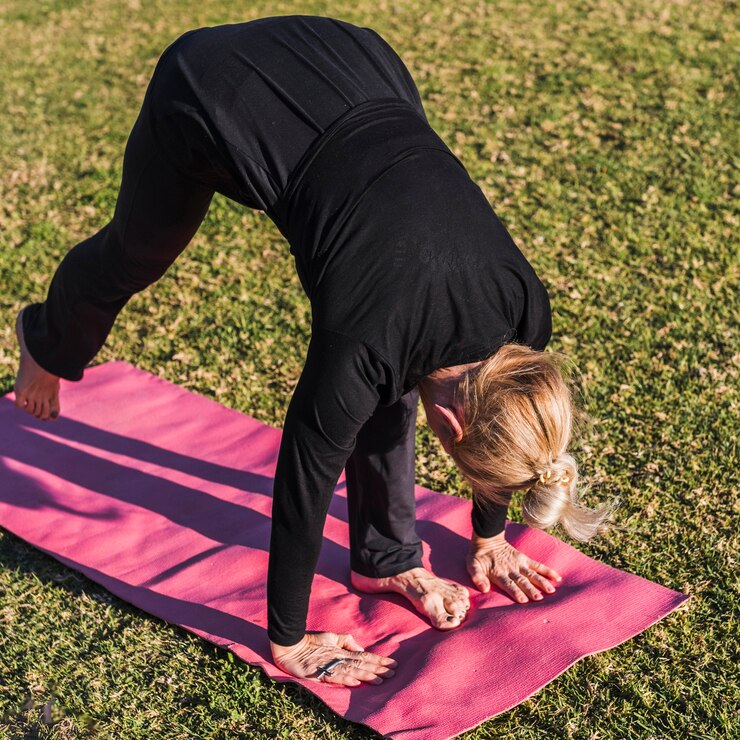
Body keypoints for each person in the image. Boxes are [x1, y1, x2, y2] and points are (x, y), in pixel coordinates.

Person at [12, 15, 614, 687]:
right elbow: (303, 483)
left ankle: (383, 557)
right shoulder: (366, 341)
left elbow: (505, 422)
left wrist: (490, 537)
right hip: (218, 87)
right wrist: (290, 641)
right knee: (138, 250)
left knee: (396, 361)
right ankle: (46, 336)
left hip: (352, 66)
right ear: (449, 426)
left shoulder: (524, 319)